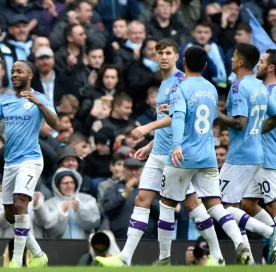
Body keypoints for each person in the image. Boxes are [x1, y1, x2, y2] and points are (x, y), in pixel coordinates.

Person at [96, 40, 227, 267]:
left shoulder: (180, 82)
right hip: (159, 152)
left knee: (192, 204)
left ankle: (217, 255)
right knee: (142, 198)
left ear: (177, 57)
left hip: (175, 157)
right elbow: (167, 122)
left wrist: (147, 128)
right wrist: (150, 144)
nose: (164, 57)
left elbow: (177, 118)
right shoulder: (165, 83)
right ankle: (125, 257)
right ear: (156, 56)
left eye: (168, 53)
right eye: (160, 53)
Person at [158, 45, 251, 265]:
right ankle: (241, 245)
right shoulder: (211, 89)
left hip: (185, 155)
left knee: (167, 204)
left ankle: (164, 258)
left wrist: (177, 145)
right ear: (206, 66)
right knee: (215, 205)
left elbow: (180, 118)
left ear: (183, 63)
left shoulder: (180, 87)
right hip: (208, 156)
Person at [0, 60, 60, 268]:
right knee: (10, 213)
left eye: (19, 71)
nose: (14, 74)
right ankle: (38, 253)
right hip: (10, 163)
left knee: (21, 204)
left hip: (31, 160)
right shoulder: (5, 101)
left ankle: (17, 260)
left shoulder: (41, 98)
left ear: (30, 76)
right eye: (12, 71)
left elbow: (55, 124)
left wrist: (38, 103)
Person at [217, 43, 276, 264]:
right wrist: (257, 132)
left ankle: (270, 232)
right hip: (256, 153)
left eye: (234, 56)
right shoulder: (260, 86)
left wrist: (215, 114)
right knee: (234, 207)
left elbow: (239, 123)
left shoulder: (238, 87)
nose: (232, 60)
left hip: (240, 156)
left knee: (218, 205)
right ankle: (246, 256)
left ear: (241, 61)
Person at [242, 49, 276, 264]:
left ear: (270, 68)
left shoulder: (268, 93)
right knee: (248, 205)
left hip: (267, 156)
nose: (258, 65)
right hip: (265, 156)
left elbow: (262, 123)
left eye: (262, 62)